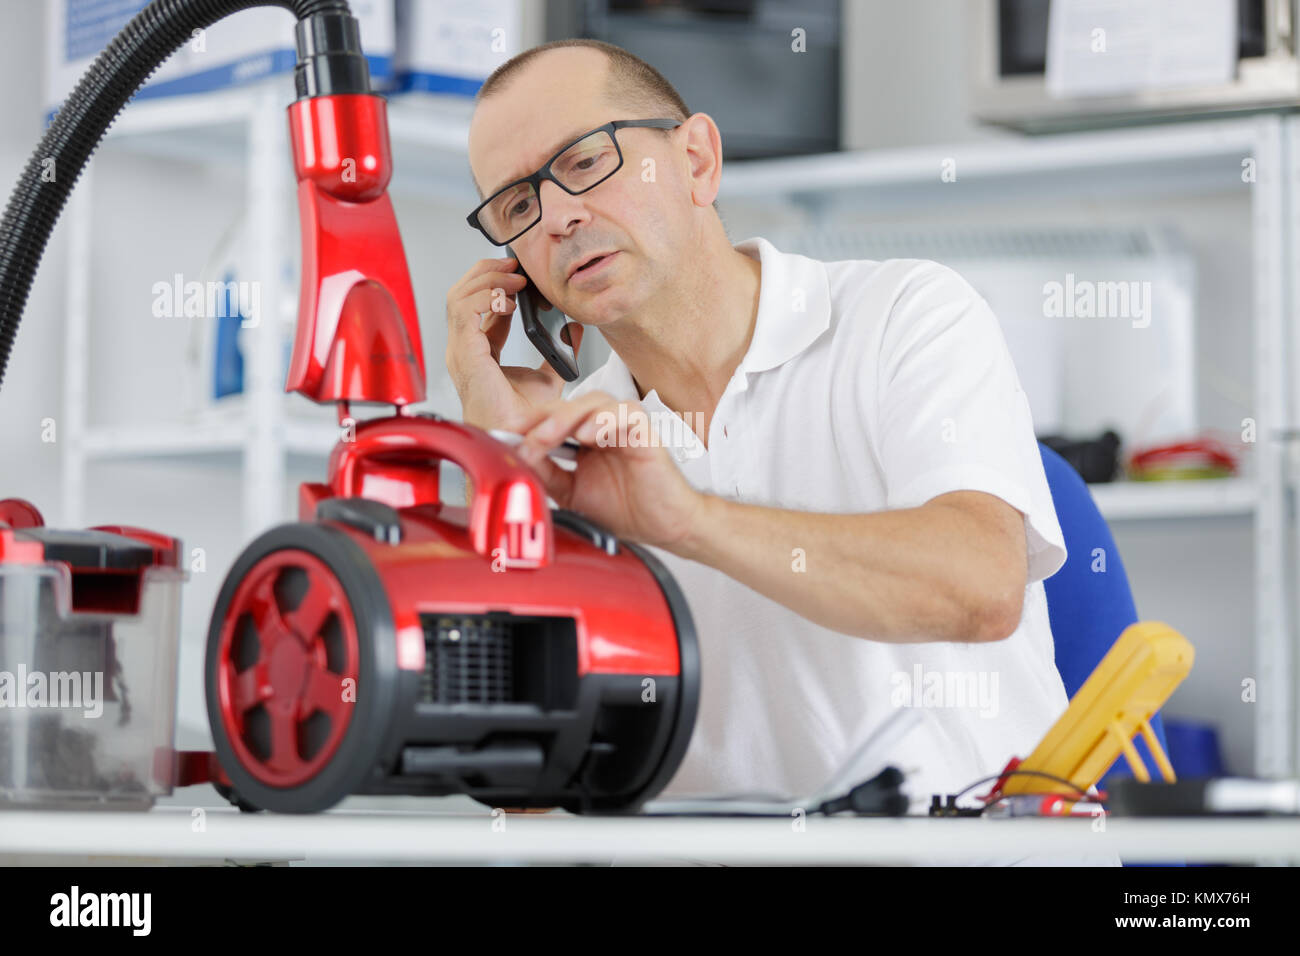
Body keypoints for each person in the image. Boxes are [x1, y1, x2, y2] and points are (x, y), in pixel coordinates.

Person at [446, 38, 1111, 864]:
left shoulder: (906, 315)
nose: (557, 217)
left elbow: (979, 588)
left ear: (696, 159)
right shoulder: (568, 446)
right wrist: (502, 474)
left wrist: (689, 520)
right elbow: (536, 802)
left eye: (585, 161)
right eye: (516, 207)